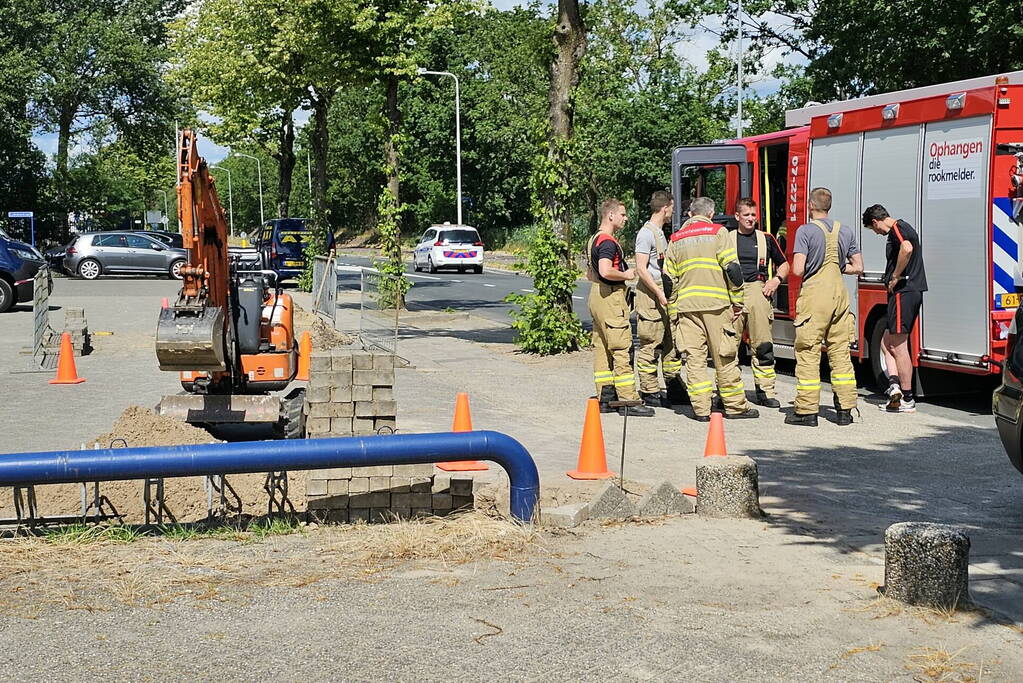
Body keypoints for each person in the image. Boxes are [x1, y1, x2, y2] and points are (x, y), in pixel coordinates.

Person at [665, 196, 758, 421]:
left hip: (688, 308)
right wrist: (737, 302)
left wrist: (673, 312)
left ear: (690, 214)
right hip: (717, 306)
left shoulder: (676, 238)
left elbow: (669, 280)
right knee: (724, 356)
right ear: (711, 214)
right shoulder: (719, 232)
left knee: (695, 359)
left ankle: (701, 410)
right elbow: (733, 270)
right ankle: (735, 407)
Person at [786, 187, 863, 427]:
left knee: (808, 351)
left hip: (815, 294)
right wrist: (839, 266)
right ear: (829, 206)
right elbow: (858, 266)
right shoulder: (845, 230)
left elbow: (798, 269)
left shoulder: (805, 231)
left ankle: (807, 412)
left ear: (810, 205)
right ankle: (845, 410)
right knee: (840, 352)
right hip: (840, 294)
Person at [586, 198, 655, 417]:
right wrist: (626, 274)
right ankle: (628, 400)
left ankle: (606, 397)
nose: (626, 218)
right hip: (611, 296)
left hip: (596, 295)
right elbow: (606, 271)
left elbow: (591, 273)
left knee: (602, 348)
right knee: (621, 348)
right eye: (623, 215)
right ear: (611, 216)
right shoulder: (607, 242)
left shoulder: (593, 239)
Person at [863, 203, 928, 413]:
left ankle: (908, 398)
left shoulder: (898, 228)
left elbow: (907, 248)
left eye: (874, 230)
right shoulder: (900, 229)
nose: (877, 233)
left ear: (875, 221)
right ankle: (895, 389)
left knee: (899, 346)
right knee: (886, 342)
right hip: (904, 293)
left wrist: (896, 275)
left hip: (904, 292)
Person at [730, 198, 790, 408]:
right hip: (732, 294)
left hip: (759, 291)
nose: (751, 219)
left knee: (763, 346)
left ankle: (765, 391)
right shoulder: (726, 239)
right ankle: (729, 392)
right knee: (729, 347)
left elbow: (784, 265)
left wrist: (776, 280)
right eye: (746, 215)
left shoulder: (766, 238)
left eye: (753, 215)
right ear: (737, 216)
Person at [633, 190, 686, 408]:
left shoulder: (660, 233)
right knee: (650, 344)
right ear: (665, 208)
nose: (673, 212)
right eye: (672, 208)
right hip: (651, 296)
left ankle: (673, 387)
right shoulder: (646, 234)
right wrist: (659, 292)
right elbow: (641, 268)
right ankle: (649, 391)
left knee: (669, 343)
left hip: (662, 296)